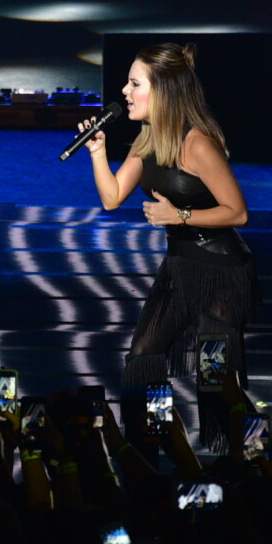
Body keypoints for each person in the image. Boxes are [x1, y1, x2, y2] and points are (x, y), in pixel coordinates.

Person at [79, 42, 258, 452]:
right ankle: (155, 449)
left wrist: (178, 217)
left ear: (162, 91)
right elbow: (111, 198)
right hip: (179, 270)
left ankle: (253, 459)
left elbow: (237, 213)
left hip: (223, 274)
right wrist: (98, 152)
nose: (124, 91)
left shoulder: (197, 143)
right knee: (143, 356)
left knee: (215, 379)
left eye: (134, 83)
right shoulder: (147, 139)